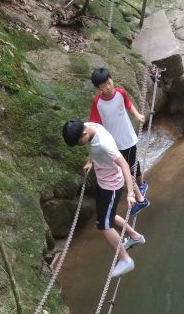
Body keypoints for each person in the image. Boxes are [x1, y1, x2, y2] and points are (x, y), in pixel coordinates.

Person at [62, 119, 148, 279]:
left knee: (104, 225)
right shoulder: (88, 126)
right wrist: (90, 162)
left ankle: (126, 260)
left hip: (113, 185)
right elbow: (91, 147)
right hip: (103, 181)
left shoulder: (104, 143)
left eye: (78, 142)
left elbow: (124, 165)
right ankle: (135, 237)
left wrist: (130, 193)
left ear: (84, 133)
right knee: (106, 217)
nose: (79, 144)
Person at [89, 67, 149, 201]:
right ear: (99, 88)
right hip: (114, 143)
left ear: (112, 79)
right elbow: (94, 125)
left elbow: (128, 103)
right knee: (126, 166)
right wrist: (90, 159)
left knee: (132, 165)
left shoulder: (120, 93)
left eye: (109, 83)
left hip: (128, 138)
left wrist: (137, 115)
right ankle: (138, 188)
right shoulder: (97, 103)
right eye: (103, 86)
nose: (108, 87)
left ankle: (140, 186)